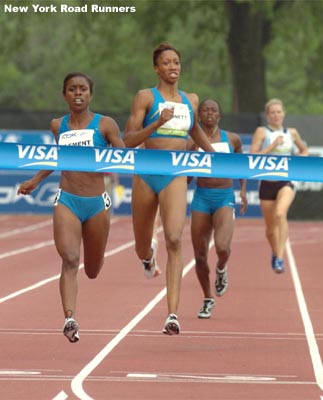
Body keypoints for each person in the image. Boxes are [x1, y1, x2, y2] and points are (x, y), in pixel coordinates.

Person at [17, 72, 124, 343]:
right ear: (64, 94)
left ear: (90, 94)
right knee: (70, 259)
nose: (78, 93)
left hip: (97, 203)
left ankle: (88, 274)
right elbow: (55, 157)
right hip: (67, 200)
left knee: (92, 269)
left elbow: (125, 157)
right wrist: (35, 180)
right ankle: (69, 318)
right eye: (73, 89)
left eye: (83, 89)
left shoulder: (106, 125)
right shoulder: (58, 125)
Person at [123, 42, 214, 335]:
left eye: (176, 62)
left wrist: (214, 153)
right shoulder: (145, 97)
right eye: (166, 63)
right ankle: (148, 257)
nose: (173, 66)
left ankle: (172, 314)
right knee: (140, 244)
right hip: (147, 173)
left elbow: (194, 130)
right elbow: (128, 140)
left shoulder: (191, 99)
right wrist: (156, 123)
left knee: (175, 238)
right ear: (156, 68)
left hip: (175, 174)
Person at [189, 98, 248, 319]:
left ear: (219, 115)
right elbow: (186, 179)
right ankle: (207, 298)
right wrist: (192, 158)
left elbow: (243, 165)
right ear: (199, 116)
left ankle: (221, 269)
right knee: (200, 256)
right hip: (202, 197)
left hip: (224, 195)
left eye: (214, 110)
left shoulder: (232, 139)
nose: (210, 113)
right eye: (205, 110)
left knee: (222, 247)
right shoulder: (191, 141)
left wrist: (242, 190)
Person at [250, 98, 308, 273]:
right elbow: (253, 156)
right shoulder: (262, 132)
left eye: (279, 112)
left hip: (286, 181)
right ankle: (275, 253)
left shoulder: (292, 132)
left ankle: (281, 258)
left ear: (284, 114)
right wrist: (273, 145)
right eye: (272, 113)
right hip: (267, 183)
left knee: (280, 213)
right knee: (269, 230)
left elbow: (304, 150)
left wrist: (298, 159)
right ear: (267, 116)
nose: (276, 115)